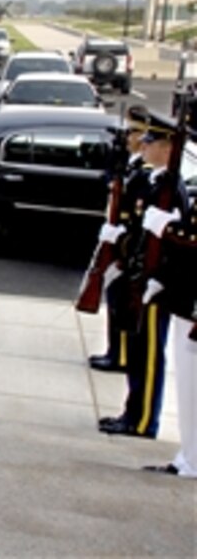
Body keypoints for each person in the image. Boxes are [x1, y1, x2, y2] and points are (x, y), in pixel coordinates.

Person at [99, 111, 190, 439]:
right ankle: (132, 413)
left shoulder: (170, 188)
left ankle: (143, 421)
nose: (144, 146)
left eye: (152, 141)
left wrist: (158, 277)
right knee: (137, 352)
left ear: (168, 148)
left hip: (154, 284)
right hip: (140, 277)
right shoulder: (156, 182)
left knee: (148, 354)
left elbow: (173, 242)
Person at [139, 171, 197, 476]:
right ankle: (189, 455)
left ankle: (192, 459)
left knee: (192, 385)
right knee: (188, 386)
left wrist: (169, 228)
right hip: (188, 298)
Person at [88, 105, 150, 372]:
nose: (128, 137)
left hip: (128, 247)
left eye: (134, 132)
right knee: (114, 301)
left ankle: (121, 354)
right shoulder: (131, 162)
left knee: (123, 303)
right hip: (120, 239)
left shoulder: (144, 171)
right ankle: (115, 350)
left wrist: (121, 239)